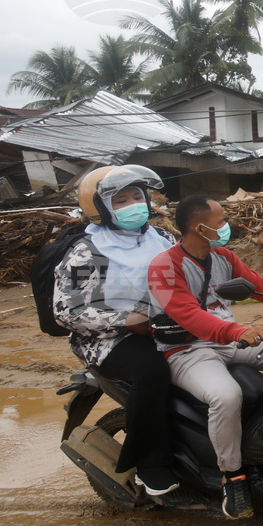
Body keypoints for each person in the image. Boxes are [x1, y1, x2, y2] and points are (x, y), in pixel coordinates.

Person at [147, 194, 263, 519]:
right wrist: (236, 331)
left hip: (229, 339)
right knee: (226, 395)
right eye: (221, 221)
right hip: (187, 350)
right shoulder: (164, 266)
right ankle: (232, 476)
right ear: (199, 228)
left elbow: (259, 286)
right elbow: (187, 314)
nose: (227, 224)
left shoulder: (223, 256)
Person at [54, 165, 178, 496]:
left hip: (165, 326)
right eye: (120, 200)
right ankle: (150, 464)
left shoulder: (162, 238)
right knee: (152, 372)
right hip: (107, 339)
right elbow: (68, 310)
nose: (132, 205)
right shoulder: (89, 251)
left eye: (137, 196)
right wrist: (125, 320)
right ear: (103, 208)